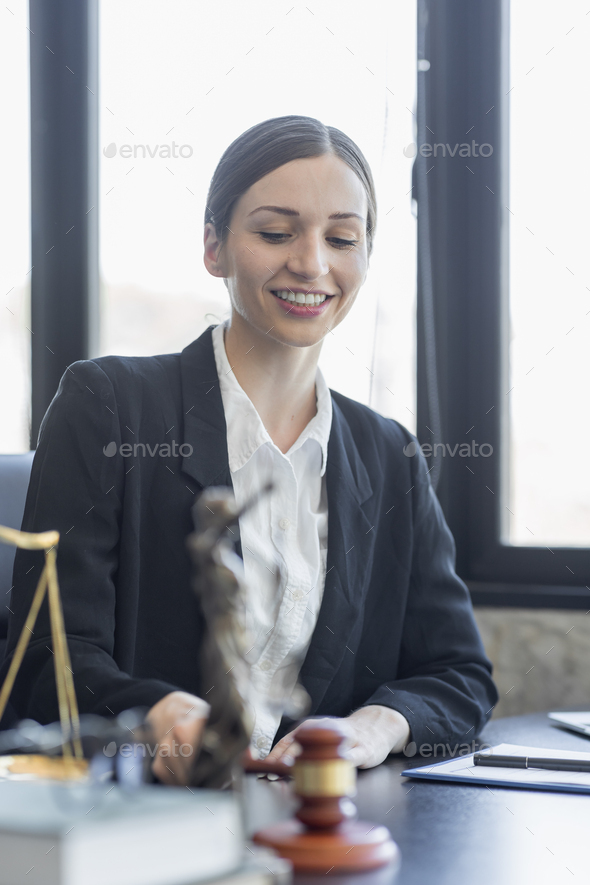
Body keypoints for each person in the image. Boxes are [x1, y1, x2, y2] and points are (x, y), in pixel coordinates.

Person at [2, 115, 497, 785]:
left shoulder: (389, 456)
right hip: (139, 823)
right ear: (214, 247)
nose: (312, 262)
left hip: (312, 828)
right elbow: (47, 663)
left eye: (342, 237)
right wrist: (159, 714)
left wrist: (371, 726)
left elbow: (460, 674)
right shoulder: (109, 406)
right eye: (275, 232)